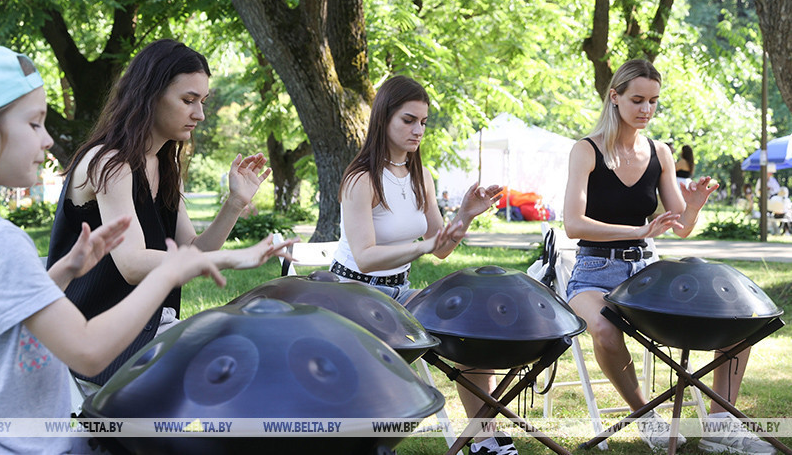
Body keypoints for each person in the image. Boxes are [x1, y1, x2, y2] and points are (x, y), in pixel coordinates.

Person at [0, 42, 235, 453]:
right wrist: (173, 270)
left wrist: (64, 271)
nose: (49, 140)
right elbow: (88, 351)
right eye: (35, 124)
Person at [47, 39, 297, 386]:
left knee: (258, 354)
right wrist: (234, 258)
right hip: (93, 341)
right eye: (188, 100)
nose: (200, 114)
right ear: (148, 96)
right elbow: (132, 265)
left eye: (203, 101)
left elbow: (193, 250)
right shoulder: (110, 163)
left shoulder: (164, 164)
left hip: (146, 329)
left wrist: (234, 203)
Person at [563, 59, 773, 454]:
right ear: (615, 97)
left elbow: (680, 226)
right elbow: (574, 224)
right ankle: (646, 417)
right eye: (637, 99)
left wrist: (693, 205)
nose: (646, 109)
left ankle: (720, 426)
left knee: (737, 317)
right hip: (592, 274)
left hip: (646, 273)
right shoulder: (586, 151)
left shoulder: (660, 152)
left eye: (654, 101)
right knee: (605, 330)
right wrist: (639, 230)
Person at [331, 76, 512, 455]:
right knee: (380, 359)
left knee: (471, 337)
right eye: (408, 120)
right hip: (353, 294)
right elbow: (365, 256)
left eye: (424, 122)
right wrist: (424, 246)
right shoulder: (360, 178)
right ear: (384, 120)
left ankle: (485, 441)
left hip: (400, 292)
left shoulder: (419, 175)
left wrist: (465, 215)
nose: (419, 130)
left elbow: (439, 247)